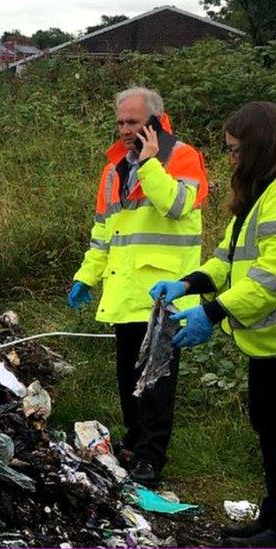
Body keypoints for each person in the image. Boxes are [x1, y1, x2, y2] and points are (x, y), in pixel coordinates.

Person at [67, 87, 209, 486]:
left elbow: (178, 205)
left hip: (166, 292)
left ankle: (151, 458)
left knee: (157, 380)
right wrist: (85, 276)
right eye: (121, 122)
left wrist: (148, 165)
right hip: (125, 290)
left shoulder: (182, 156)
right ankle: (133, 444)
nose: (126, 130)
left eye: (133, 122)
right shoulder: (114, 168)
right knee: (129, 378)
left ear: (155, 121)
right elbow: (103, 233)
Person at [150, 101, 276, 547]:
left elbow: (270, 275)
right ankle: (271, 519)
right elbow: (226, 259)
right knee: (267, 428)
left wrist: (213, 311)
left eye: (237, 150)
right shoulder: (256, 197)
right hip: (264, 344)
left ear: (261, 148)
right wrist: (186, 284)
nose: (231, 159)